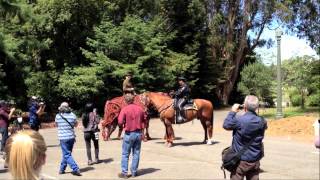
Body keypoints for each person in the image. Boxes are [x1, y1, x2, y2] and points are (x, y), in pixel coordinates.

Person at [223, 95, 267, 180]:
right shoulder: (263, 121)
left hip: (240, 161)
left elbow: (226, 125)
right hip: (255, 160)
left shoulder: (239, 120)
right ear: (257, 107)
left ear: (245, 106)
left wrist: (233, 111)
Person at [117, 94, 147, 178]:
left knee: (125, 154)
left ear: (126, 101)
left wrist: (123, 124)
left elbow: (119, 122)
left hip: (129, 134)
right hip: (138, 133)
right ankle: (134, 172)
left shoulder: (124, 109)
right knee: (136, 153)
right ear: (133, 100)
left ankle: (124, 173)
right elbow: (144, 120)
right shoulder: (140, 109)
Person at [55, 102, 81, 176]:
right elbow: (76, 125)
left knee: (66, 154)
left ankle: (75, 168)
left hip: (63, 138)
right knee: (67, 154)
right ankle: (62, 169)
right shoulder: (73, 115)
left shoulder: (58, 116)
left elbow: (56, 125)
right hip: (71, 137)